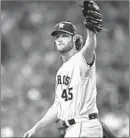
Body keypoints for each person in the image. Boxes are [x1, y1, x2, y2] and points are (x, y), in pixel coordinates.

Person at [23, 1, 115, 138]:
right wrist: (36, 129)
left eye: (64, 35)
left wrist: (91, 32)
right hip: (76, 128)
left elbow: (90, 46)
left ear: (74, 39)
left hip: (83, 125)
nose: (59, 39)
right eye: (57, 36)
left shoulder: (80, 59)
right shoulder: (61, 71)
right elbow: (57, 107)